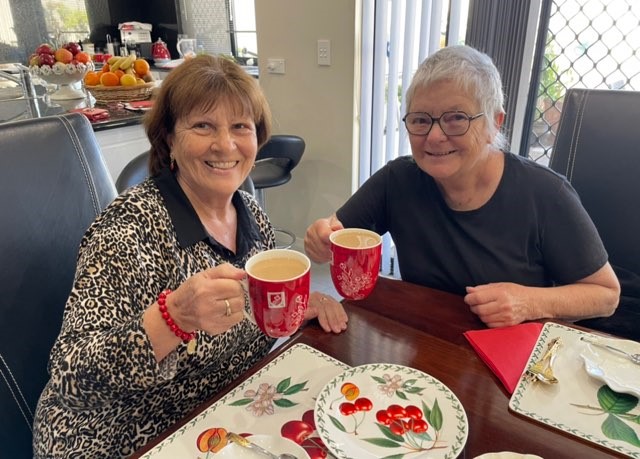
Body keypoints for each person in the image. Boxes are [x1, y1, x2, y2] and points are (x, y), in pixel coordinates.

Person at [33, 55, 347, 459]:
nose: (225, 144)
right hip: (118, 436)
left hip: (214, 422)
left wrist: (298, 304)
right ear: (169, 139)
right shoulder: (128, 229)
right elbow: (69, 377)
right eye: (203, 126)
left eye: (240, 127)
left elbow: (253, 315)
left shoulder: (254, 217)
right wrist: (173, 319)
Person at [305, 45, 620, 329]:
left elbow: (606, 295)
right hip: (428, 343)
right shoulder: (397, 180)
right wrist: (320, 239)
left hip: (512, 359)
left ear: (494, 123)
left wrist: (530, 302)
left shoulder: (547, 194)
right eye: (420, 120)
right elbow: (334, 233)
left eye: (456, 118)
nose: (434, 136)